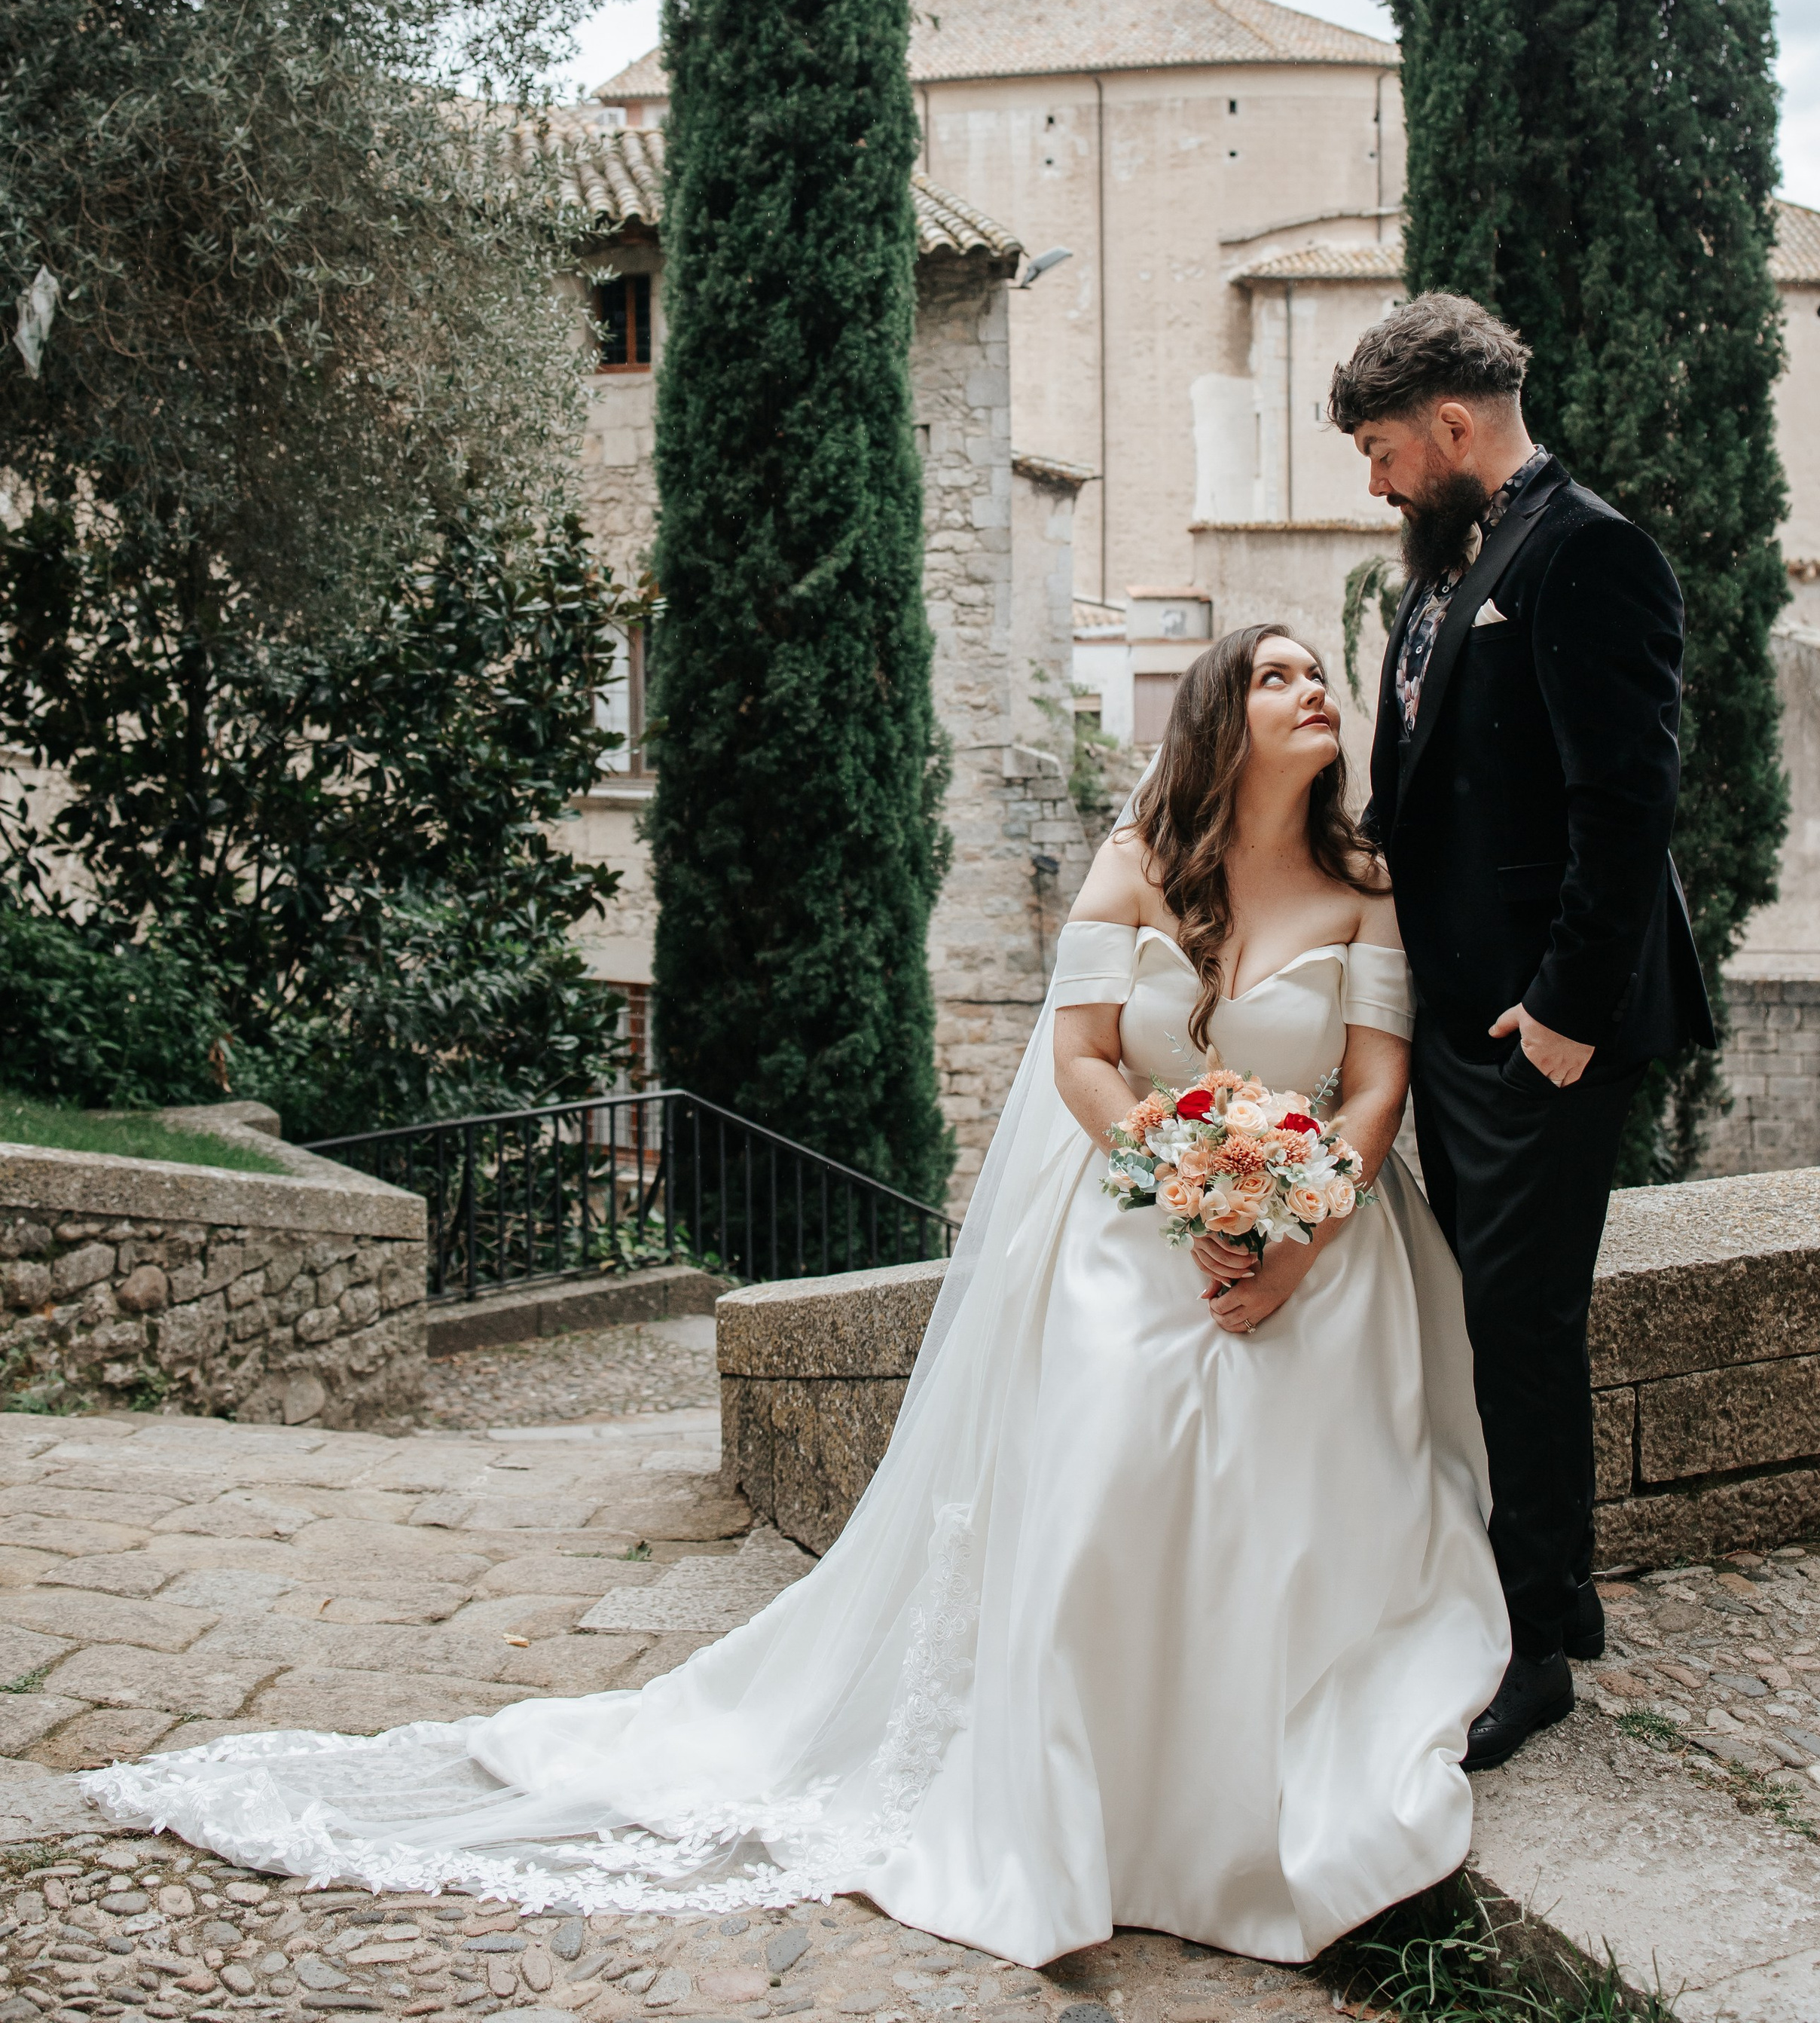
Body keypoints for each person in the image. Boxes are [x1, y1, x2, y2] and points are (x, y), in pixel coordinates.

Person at [89, 627, 1507, 1966]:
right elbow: (1081, 1058)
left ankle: (1241, 1803)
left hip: (1322, 1228)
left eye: (1322, 672)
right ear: (1219, 716)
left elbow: (1374, 1088)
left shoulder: (1363, 882)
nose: (1318, 687)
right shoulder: (1137, 861)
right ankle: (1073, 1813)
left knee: (1282, 1449)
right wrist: (1185, 1178)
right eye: (1280, 675)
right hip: (1135, 1221)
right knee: (1117, 1441)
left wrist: (1296, 1226)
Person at [1327, 292, 1712, 1771]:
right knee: (1482, 1324)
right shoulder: (1442, 569)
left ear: (1449, 425)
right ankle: (1519, 1598)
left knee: (1521, 1332)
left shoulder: (1587, 552)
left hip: (1539, 1031)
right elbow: (1419, 794)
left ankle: (1536, 1642)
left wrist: (1556, 1020)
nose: (1370, 482)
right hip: (1459, 1027)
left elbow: (1625, 812)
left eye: (1377, 450)